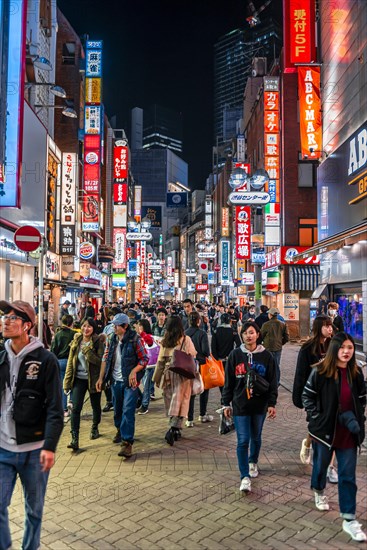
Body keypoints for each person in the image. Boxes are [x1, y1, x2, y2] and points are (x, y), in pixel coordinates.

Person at [0, 300, 63, 550]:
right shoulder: (1, 357)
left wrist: (49, 446)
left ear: (27, 325)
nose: (6, 321)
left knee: (34, 511)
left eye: (13, 318)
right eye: (5, 317)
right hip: (3, 449)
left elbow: (56, 408)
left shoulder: (46, 360)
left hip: (35, 450)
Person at [302, 332, 366, 542]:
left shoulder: (355, 373)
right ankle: (319, 490)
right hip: (325, 432)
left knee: (347, 475)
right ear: (334, 349)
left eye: (350, 347)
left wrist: (359, 419)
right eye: (342, 348)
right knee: (320, 466)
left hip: (348, 432)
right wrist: (317, 417)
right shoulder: (320, 371)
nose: (347, 351)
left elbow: (362, 398)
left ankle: (349, 519)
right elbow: (307, 396)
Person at [222, 321, 277, 493]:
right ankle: (244, 476)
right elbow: (228, 382)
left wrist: (271, 403)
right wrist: (225, 403)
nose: (248, 335)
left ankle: (253, 461)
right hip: (240, 404)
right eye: (245, 333)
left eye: (251, 332)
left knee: (256, 437)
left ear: (258, 334)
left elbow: (273, 381)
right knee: (243, 440)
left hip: (259, 405)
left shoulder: (267, 356)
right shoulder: (235, 355)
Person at [292, 315, 338, 481]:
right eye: (327, 326)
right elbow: (301, 374)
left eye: (331, 326)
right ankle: (308, 443)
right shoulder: (308, 348)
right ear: (319, 327)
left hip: (332, 395)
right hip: (315, 396)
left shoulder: (334, 345)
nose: (330, 329)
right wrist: (299, 397)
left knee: (332, 429)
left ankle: (330, 467)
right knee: (317, 427)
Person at [96, 313, 148, 458]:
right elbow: (105, 358)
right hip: (114, 381)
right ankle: (120, 429)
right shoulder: (112, 339)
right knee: (117, 410)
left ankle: (127, 442)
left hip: (130, 383)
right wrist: (101, 378)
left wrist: (134, 371)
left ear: (125, 326)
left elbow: (144, 359)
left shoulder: (135, 339)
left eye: (116, 325)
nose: (114, 327)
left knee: (128, 410)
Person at [153, 315, 196, 445]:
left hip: (168, 374)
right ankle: (174, 429)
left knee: (171, 401)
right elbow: (193, 353)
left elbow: (160, 360)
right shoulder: (185, 339)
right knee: (181, 402)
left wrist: (156, 378)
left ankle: (174, 428)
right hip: (182, 375)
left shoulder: (165, 340)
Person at [63, 318, 105, 450]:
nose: (86, 329)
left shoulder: (98, 341)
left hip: (93, 379)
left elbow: (100, 361)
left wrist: (87, 351)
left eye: (89, 327)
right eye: (84, 326)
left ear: (93, 328)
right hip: (79, 379)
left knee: (95, 406)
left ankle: (95, 427)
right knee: (75, 408)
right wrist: (67, 382)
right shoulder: (76, 340)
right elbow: (71, 362)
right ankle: (74, 438)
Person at [185, 311, 211, 426]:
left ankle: (189, 419)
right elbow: (206, 351)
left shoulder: (184, 334)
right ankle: (202, 414)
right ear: (198, 321)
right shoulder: (202, 334)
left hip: (187, 365)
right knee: (203, 389)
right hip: (201, 365)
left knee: (190, 392)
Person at [50, 314, 75, 416]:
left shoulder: (58, 335)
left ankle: (64, 409)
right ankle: (72, 403)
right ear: (71, 323)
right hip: (71, 361)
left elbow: (53, 350)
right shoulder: (74, 334)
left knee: (62, 386)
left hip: (60, 362)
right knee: (73, 383)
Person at [136, 318, 160, 415]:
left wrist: (141, 333)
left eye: (140, 325)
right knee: (141, 384)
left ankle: (145, 405)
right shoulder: (139, 337)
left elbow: (149, 341)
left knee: (146, 386)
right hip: (142, 365)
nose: (138, 327)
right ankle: (142, 400)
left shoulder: (148, 337)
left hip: (150, 365)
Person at [260, 307, 289, 385]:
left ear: (271, 315)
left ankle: (267, 381)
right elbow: (287, 337)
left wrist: (261, 344)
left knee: (266, 365)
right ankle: (276, 382)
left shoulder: (266, 325)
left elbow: (261, 336)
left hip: (267, 348)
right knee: (276, 365)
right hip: (278, 348)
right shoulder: (282, 324)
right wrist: (280, 343)